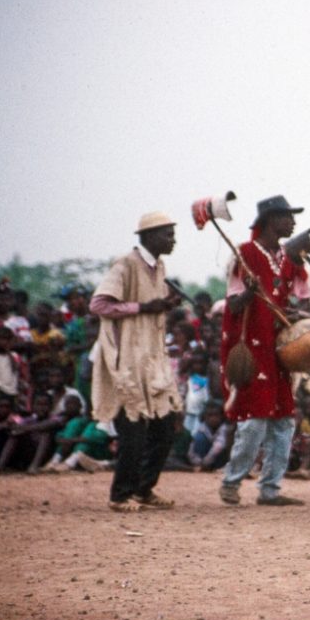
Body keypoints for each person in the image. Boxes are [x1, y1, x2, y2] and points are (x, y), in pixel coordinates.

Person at [218, 196, 310, 507]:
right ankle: (231, 483)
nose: (293, 223)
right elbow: (231, 304)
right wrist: (249, 293)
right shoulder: (243, 255)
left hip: (280, 351)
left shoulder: (288, 258)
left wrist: (298, 315)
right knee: (254, 418)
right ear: (271, 219)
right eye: (288, 217)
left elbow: (301, 300)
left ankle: (270, 489)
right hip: (252, 348)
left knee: (284, 419)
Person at [89, 211, 183, 511]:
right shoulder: (126, 264)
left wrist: (164, 305)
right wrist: (143, 306)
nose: (173, 239)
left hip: (152, 358)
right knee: (133, 428)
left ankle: (143, 489)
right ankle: (120, 495)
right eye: (167, 234)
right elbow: (100, 304)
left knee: (165, 425)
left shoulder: (160, 266)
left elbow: (152, 307)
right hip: (126, 359)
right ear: (149, 235)